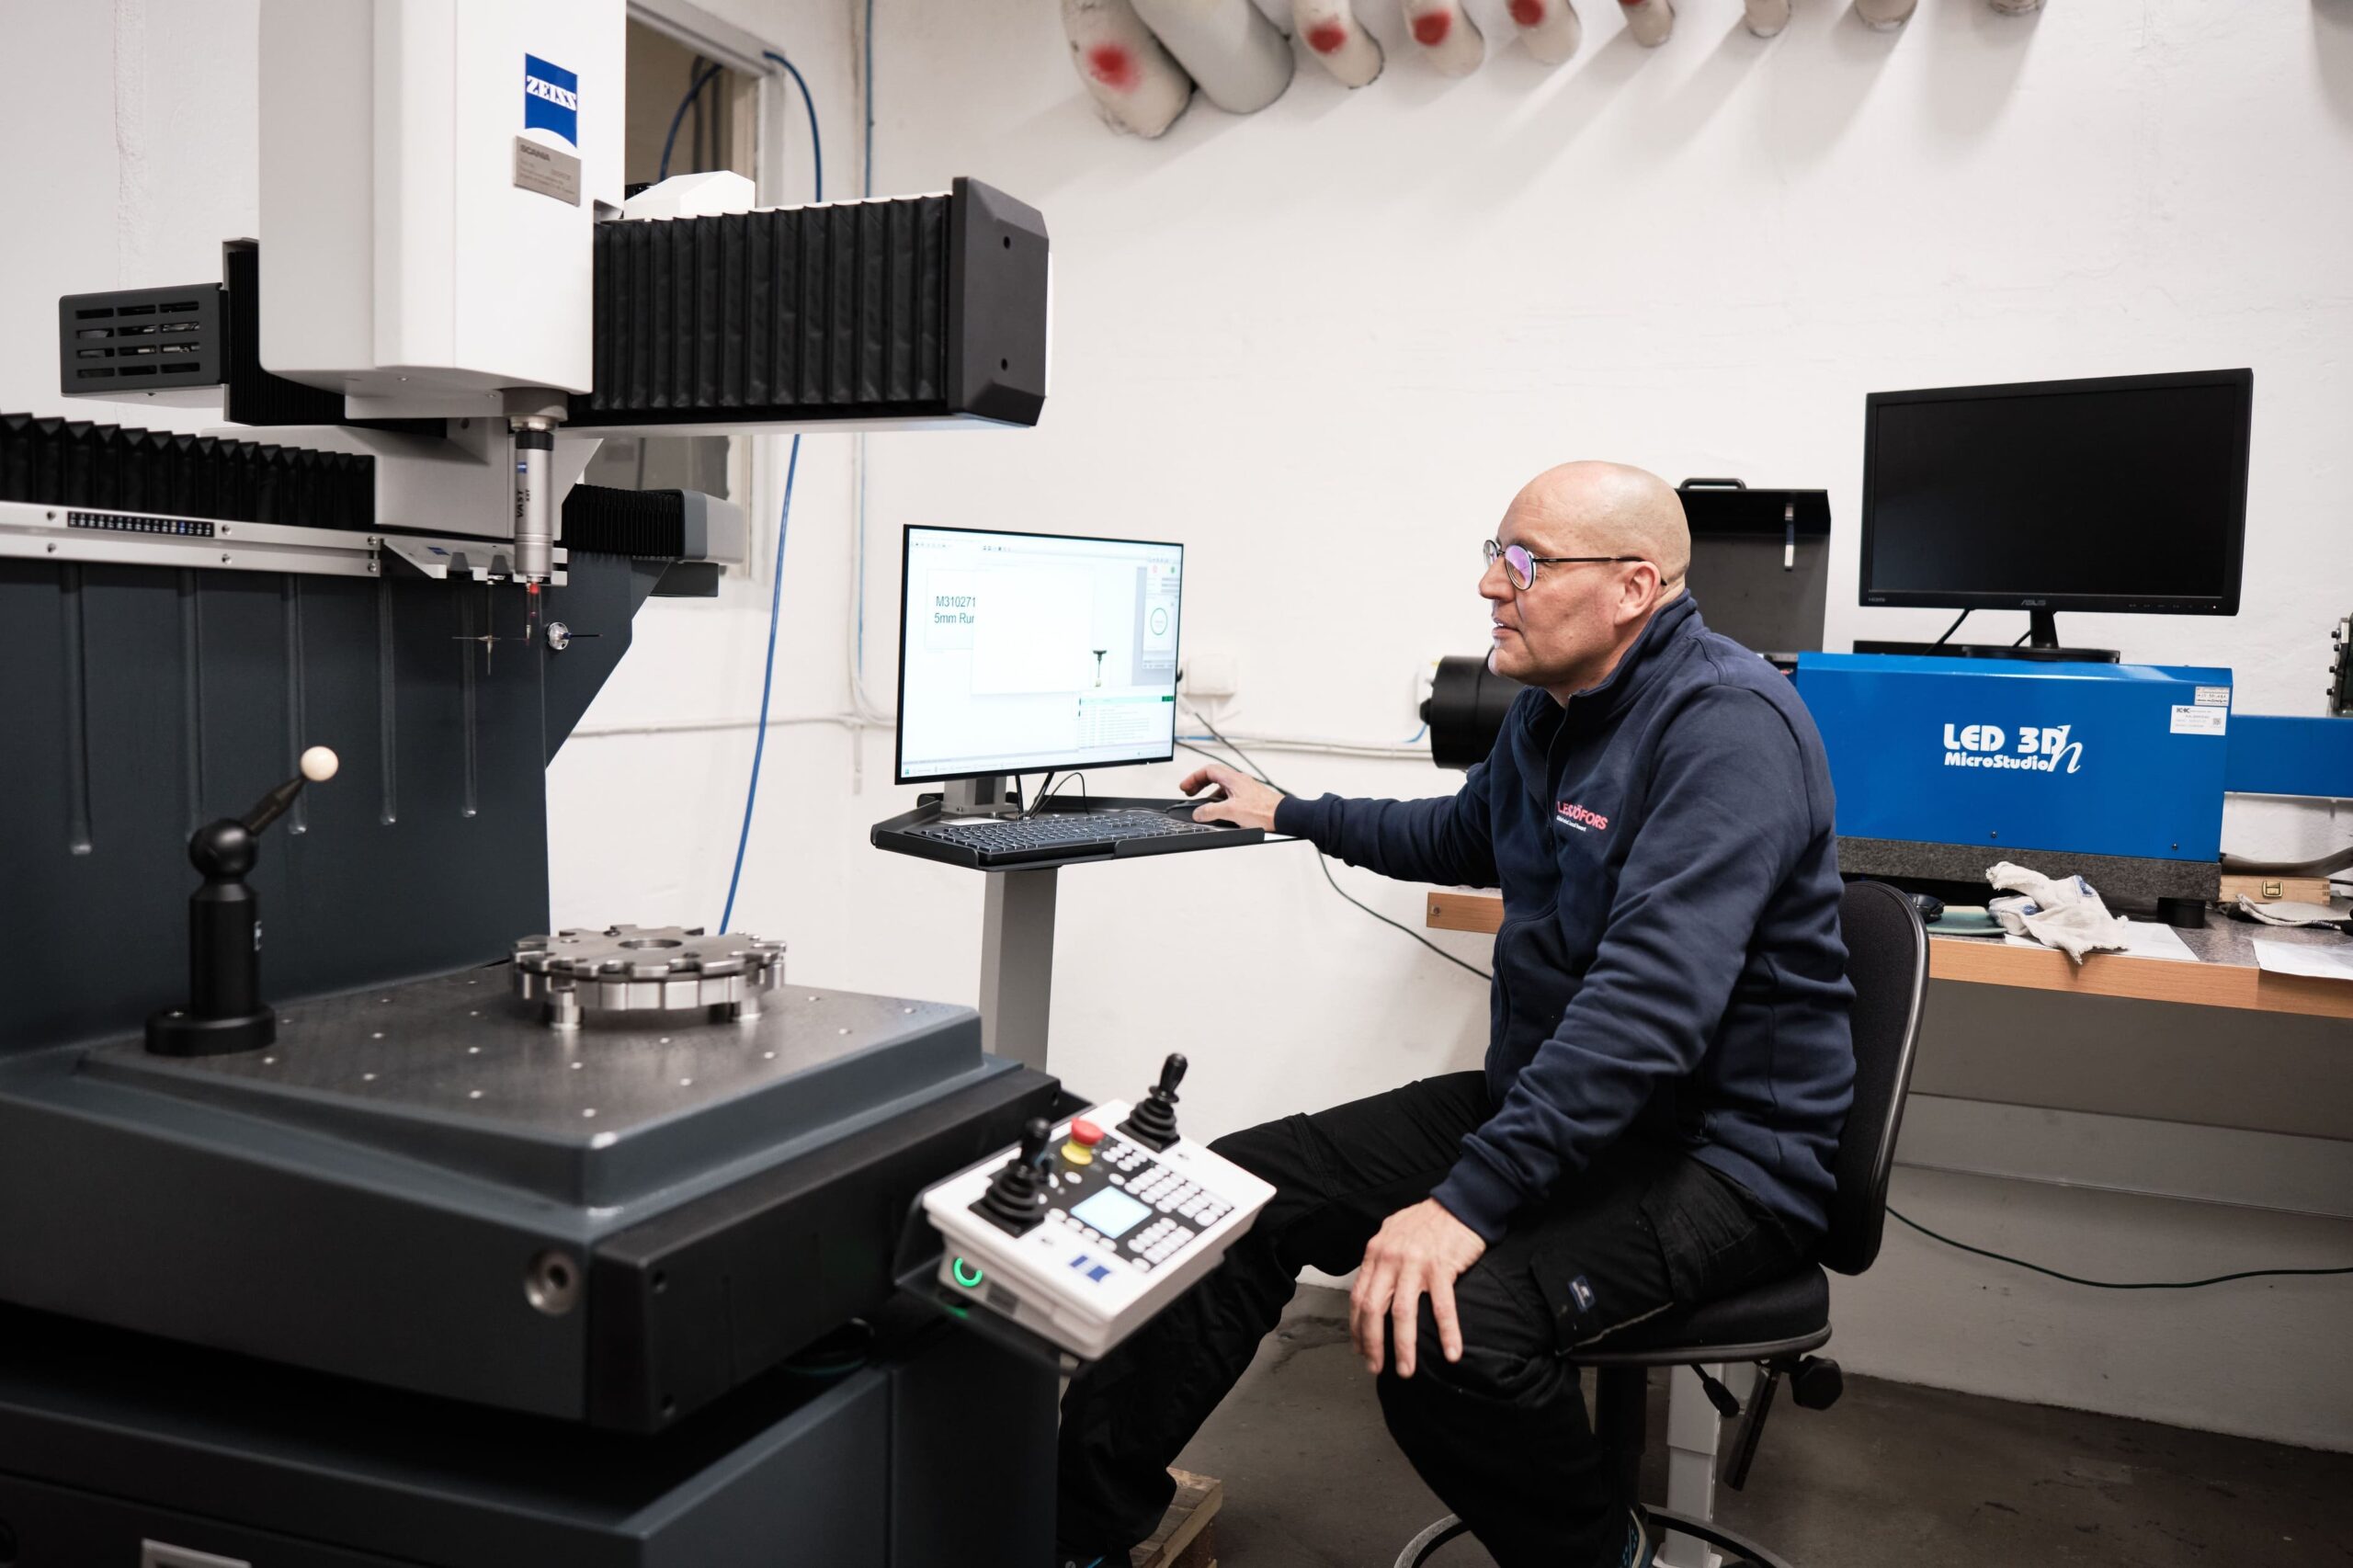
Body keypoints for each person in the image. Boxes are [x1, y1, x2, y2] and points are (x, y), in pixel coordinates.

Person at [1053, 461, 1857, 1568]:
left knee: (1449, 1331)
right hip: (1559, 1108)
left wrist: (1465, 1200)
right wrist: (1290, 809)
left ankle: (1600, 1554)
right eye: (1493, 550)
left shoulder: (1726, 728)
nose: (1490, 583)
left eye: (1523, 562)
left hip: (1720, 1156)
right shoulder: (1550, 712)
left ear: (1631, 586)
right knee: (1231, 1194)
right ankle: (1082, 1524)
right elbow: (1462, 835)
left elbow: (1646, 1012)